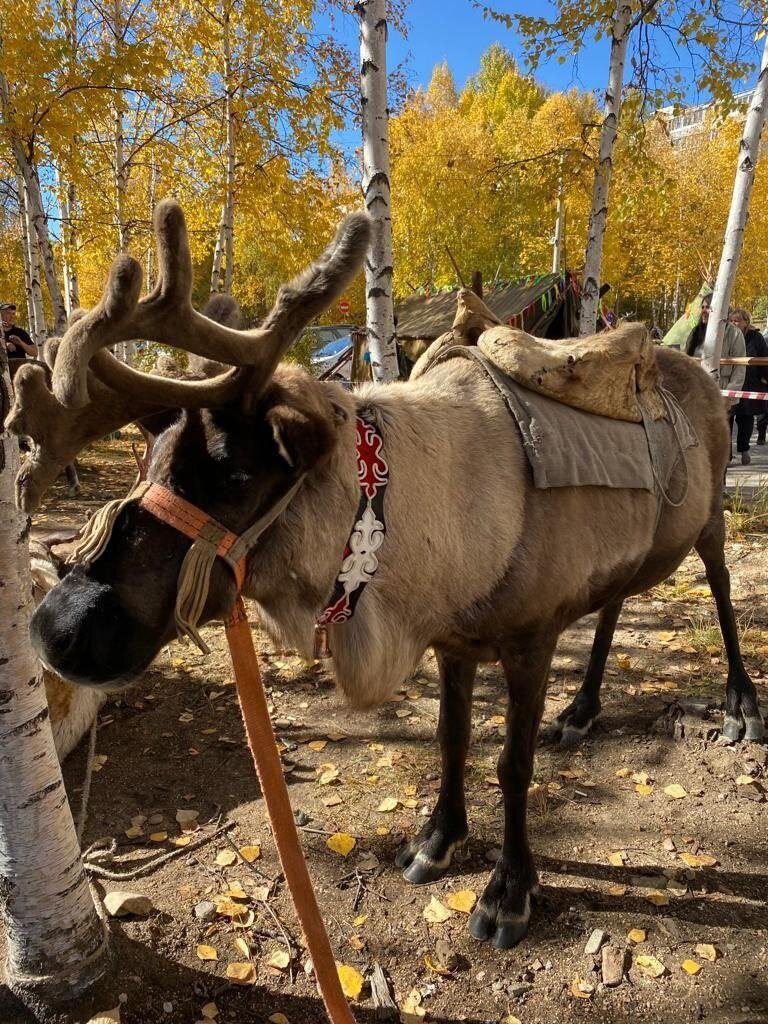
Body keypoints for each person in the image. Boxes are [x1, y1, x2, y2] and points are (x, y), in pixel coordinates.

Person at [728, 307, 768, 463]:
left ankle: (744, 449)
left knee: (746, 419)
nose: (733, 324)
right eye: (731, 320)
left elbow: (764, 358)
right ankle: (727, 455)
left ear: (746, 322)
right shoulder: (726, 336)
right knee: (727, 419)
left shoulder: (755, 337)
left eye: (737, 321)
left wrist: (765, 378)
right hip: (730, 382)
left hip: (749, 384)